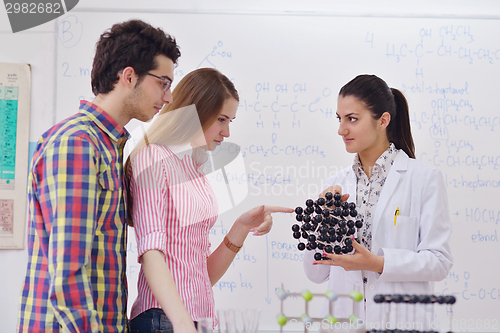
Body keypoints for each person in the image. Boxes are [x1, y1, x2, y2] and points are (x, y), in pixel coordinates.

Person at [17, 20, 180, 333]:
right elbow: (69, 273)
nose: (169, 97)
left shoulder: (109, 145)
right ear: (129, 76)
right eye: (163, 83)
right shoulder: (78, 144)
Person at [126, 68, 293, 333]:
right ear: (196, 112)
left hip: (193, 321)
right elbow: (150, 251)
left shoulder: (195, 168)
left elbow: (202, 276)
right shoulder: (153, 158)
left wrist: (240, 228)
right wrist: (182, 323)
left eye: (230, 121)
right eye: (221, 119)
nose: (226, 132)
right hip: (164, 319)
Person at [303, 74, 453, 330]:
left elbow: (439, 262)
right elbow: (316, 274)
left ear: (383, 120)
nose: (341, 130)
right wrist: (322, 224)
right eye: (340, 119)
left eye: (352, 119)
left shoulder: (424, 178)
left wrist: (378, 263)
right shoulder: (335, 185)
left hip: (402, 322)